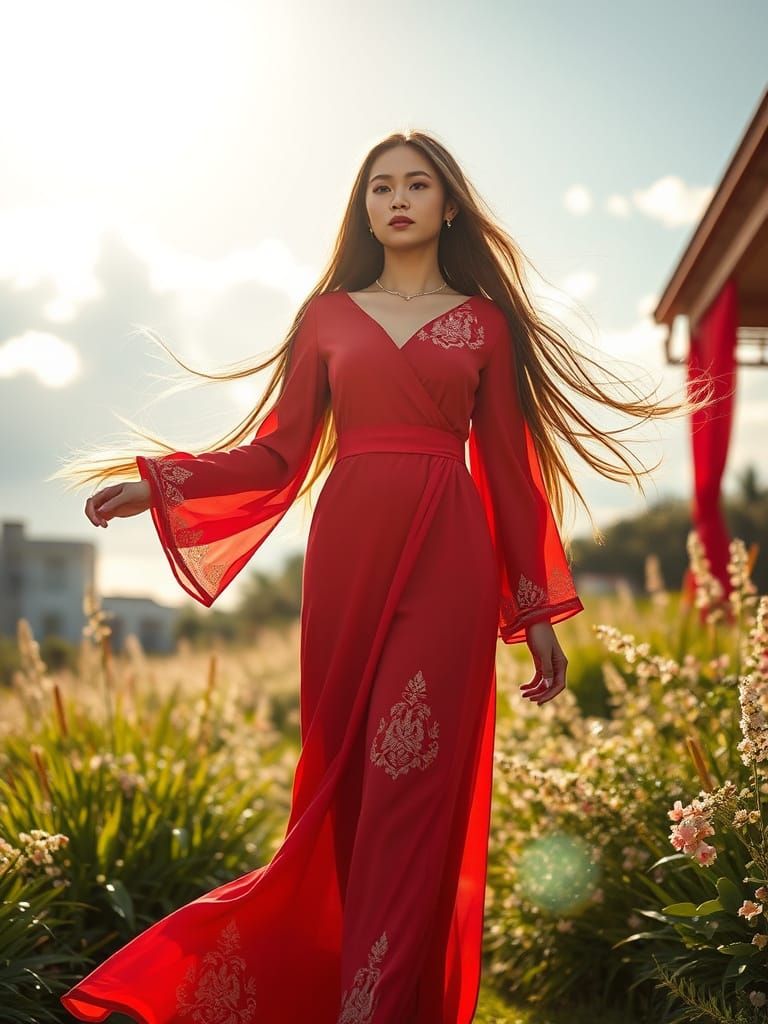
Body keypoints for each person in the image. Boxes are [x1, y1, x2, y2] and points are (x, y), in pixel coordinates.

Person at [53, 130, 709, 1024]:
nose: (397, 199)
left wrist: (536, 612)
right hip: (346, 559)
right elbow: (280, 452)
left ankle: (376, 1006)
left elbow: (509, 472)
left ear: (449, 205)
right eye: (380, 187)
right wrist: (162, 484)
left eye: (417, 184)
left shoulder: (486, 325)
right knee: (346, 793)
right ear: (363, 209)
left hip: (449, 557)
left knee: (412, 781)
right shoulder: (326, 317)